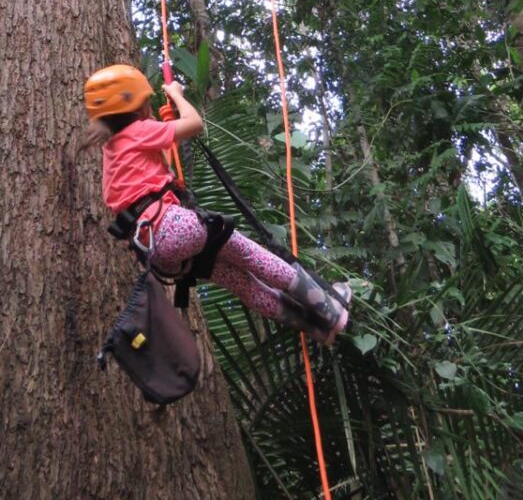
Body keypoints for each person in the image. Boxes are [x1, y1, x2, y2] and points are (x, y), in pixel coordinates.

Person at [84, 64, 351, 345]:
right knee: (254, 257)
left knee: (244, 284)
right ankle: (329, 310)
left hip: (159, 252)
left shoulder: (113, 150)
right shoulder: (139, 130)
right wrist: (176, 96)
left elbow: (159, 172)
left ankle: (318, 330)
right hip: (175, 227)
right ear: (137, 106)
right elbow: (195, 123)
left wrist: (166, 123)